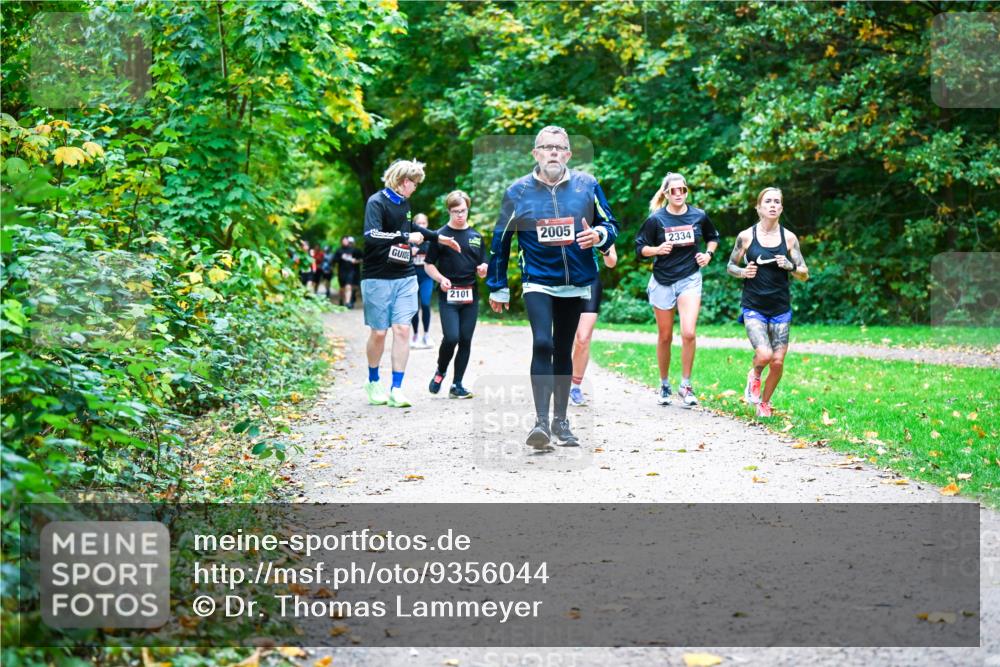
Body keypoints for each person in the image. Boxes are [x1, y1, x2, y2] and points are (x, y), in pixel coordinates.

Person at [487, 126, 618, 449]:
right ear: (536, 154)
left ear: (569, 155)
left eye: (560, 148)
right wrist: (498, 285)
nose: (554, 152)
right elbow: (500, 240)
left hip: (574, 282)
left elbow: (611, 224)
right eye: (547, 147)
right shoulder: (518, 191)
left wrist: (599, 237)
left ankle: (561, 420)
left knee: (562, 349)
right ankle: (541, 422)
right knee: (542, 343)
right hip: (538, 281)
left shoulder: (587, 186)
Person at [361, 159, 461, 408]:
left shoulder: (404, 203)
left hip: (404, 275)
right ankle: (373, 381)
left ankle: (396, 388)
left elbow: (411, 227)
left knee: (403, 329)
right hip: (377, 276)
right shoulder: (376, 202)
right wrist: (405, 236)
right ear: (404, 182)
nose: (415, 188)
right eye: (414, 184)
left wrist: (440, 238)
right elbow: (371, 235)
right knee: (379, 332)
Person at [635, 172, 720, 407]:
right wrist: (657, 250)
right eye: (673, 190)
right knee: (665, 336)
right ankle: (664, 384)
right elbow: (639, 248)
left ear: (686, 191)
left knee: (689, 333)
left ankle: (686, 384)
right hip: (662, 280)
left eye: (682, 189)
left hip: (689, 278)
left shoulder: (698, 215)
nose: (678, 194)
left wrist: (708, 255)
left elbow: (713, 237)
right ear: (666, 194)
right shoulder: (656, 219)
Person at [727, 187, 809, 418]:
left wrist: (790, 266)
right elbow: (730, 266)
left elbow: (804, 273)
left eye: (777, 202)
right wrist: (743, 272)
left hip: (780, 307)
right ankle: (754, 375)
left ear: (781, 208)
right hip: (754, 305)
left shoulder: (789, 238)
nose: (773, 205)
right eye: (768, 201)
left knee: (778, 362)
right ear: (759, 207)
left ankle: (764, 402)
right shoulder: (746, 236)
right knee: (764, 355)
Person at [423, 191, 488, 399]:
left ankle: (457, 384)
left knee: (465, 339)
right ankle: (440, 371)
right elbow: (428, 265)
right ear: (449, 211)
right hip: (449, 295)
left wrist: (484, 268)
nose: (460, 215)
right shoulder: (440, 236)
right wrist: (441, 279)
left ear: (468, 209)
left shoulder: (476, 237)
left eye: (463, 210)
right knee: (451, 337)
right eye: (455, 211)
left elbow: (484, 262)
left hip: (470, 295)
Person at [569, 245, 617, 406]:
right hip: (561, 281)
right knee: (562, 338)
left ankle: (575, 387)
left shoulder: (600, 223)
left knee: (583, 338)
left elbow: (611, 262)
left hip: (590, 281)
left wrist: (604, 247)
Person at [410, 213, 435, 349]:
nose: (421, 226)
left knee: (425, 304)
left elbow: (437, 259)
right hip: (412, 277)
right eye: (418, 223)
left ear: (427, 225)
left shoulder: (431, 241)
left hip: (426, 277)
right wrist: (409, 252)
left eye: (424, 223)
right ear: (414, 225)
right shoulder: (408, 239)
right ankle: (415, 335)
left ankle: (426, 334)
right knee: (414, 307)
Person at [333, 236, 359, 307]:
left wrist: (356, 261)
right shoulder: (339, 251)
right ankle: (341, 299)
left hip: (351, 271)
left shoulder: (353, 250)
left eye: (346, 240)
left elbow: (360, 258)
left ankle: (347, 303)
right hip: (341, 272)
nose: (345, 242)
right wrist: (340, 258)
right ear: (341, 242)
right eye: (343, 240)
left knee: (349, 286)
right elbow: (334, 260)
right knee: (342, 288)